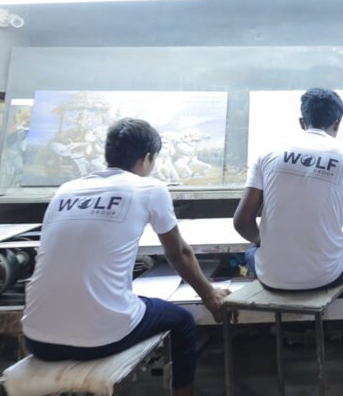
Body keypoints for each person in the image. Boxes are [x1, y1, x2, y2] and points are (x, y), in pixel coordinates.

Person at [22, 118, 229, 396]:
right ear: (146, 158)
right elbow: (178, 253)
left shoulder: (66, 190)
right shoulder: (149, 189)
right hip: (102, 338)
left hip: (37, 338)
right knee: (182, 322)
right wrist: (209, 295)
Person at [234, 88, 343, 291]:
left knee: (251, 253)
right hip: (326, 276)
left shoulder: (267, 154)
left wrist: (263, 242)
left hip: (270, 277)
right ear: (337, 123)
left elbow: (241, 222)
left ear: (302, 122)